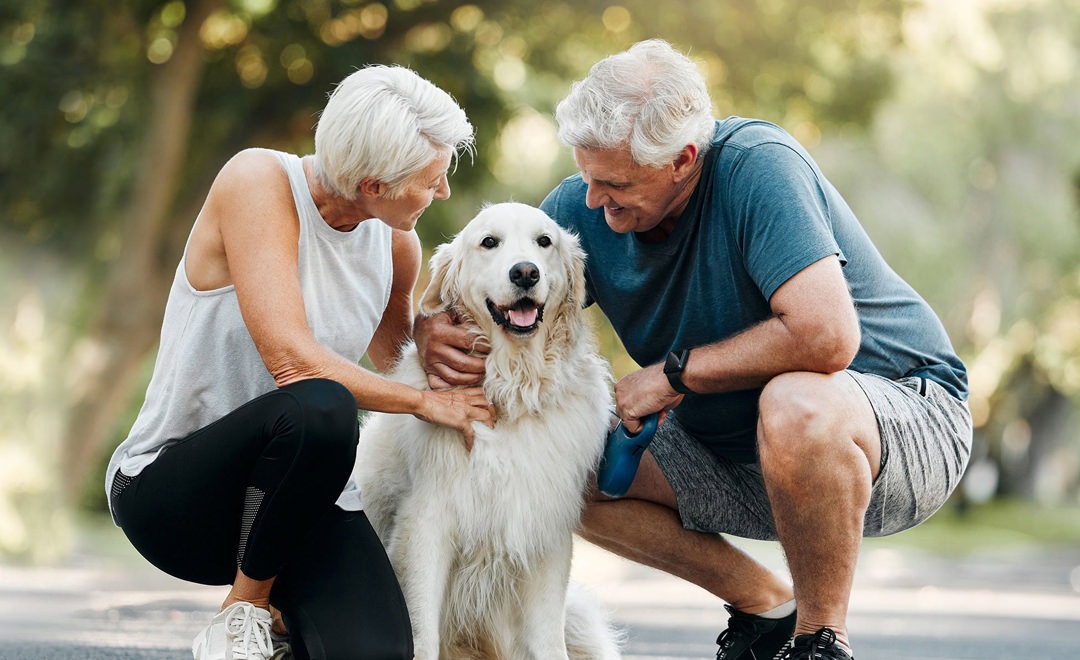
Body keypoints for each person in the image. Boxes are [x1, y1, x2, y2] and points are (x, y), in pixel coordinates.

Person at [415, 40, 972, 660]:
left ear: (682, 160)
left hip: (896, 427)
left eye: (616, 183)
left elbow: (827, 337)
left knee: (795, 402)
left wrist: (673, 375)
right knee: (567, 458)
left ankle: (819, 641)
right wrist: (430, 327)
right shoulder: (583, 206)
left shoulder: (758, 168)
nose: (594, 201)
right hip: (734, 450)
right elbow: (497, 289)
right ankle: (768, 609)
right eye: (587, 176)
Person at [105, 65, 494, 660]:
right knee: (321, 404)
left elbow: (398, 368)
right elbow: (292, 360)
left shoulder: (396, 244)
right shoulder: (257, 180)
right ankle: (245, 610)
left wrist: (442, 344)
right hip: (177, 499)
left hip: (301, 507)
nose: (441, 193)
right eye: (431, 180)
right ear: (373, 183)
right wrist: (424, 400)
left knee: (381, 652)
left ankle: (287, 624)